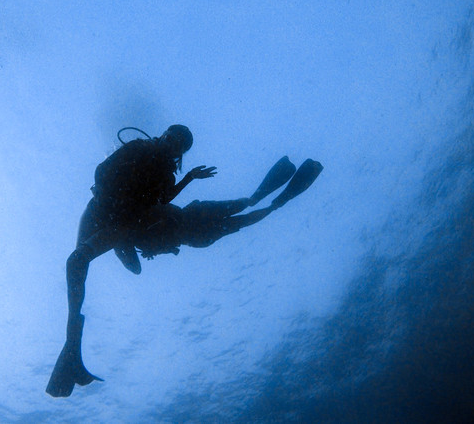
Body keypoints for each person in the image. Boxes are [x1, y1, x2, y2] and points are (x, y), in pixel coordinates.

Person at [46, 125, 215, 398]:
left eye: (179, 145)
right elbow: (100, 172)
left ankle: (123, 245)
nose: (172, 143)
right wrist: (114, 198)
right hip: (99, 210)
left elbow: (163, 199)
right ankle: (71, 347)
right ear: (163, 134)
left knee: (129, 267)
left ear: (180, 152)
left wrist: (190, 179)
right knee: (77, 261)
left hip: (123, 225)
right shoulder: (138, 147)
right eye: (171, 136)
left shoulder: (166, 174)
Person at [127, 157, 323, 260]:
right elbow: (169, 243)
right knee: (243, 211)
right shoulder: (140, 235)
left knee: (243, 214)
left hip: (196, 230)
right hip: (196, 224)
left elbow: (170, 245)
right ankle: (271, 203)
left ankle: (273, 204)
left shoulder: (140, 235)